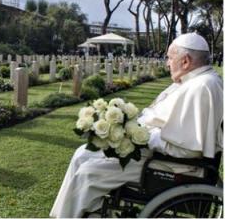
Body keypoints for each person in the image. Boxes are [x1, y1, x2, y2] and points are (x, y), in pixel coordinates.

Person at [49, 32, 223, 218]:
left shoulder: (202, 87)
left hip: (173, 166)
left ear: (186, 61)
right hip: (162, 155)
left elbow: (187, 149)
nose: (167, 63)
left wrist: (140, 137)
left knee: (88, 174)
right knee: (83, 153)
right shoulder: (196, 80)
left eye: (170, 58)